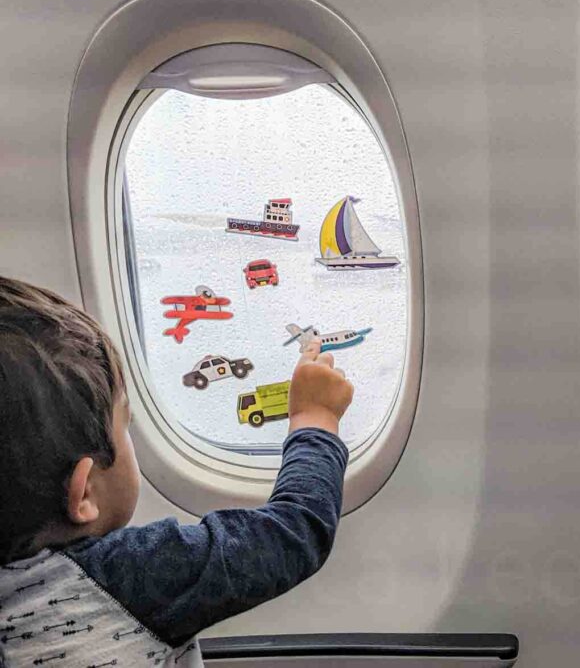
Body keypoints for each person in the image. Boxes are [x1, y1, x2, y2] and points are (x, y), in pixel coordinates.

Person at [0, 276, 353, 667]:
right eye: (126, 425)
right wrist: (315, 417)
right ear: (84, 493)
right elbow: (295, 532)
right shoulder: (132, 576)